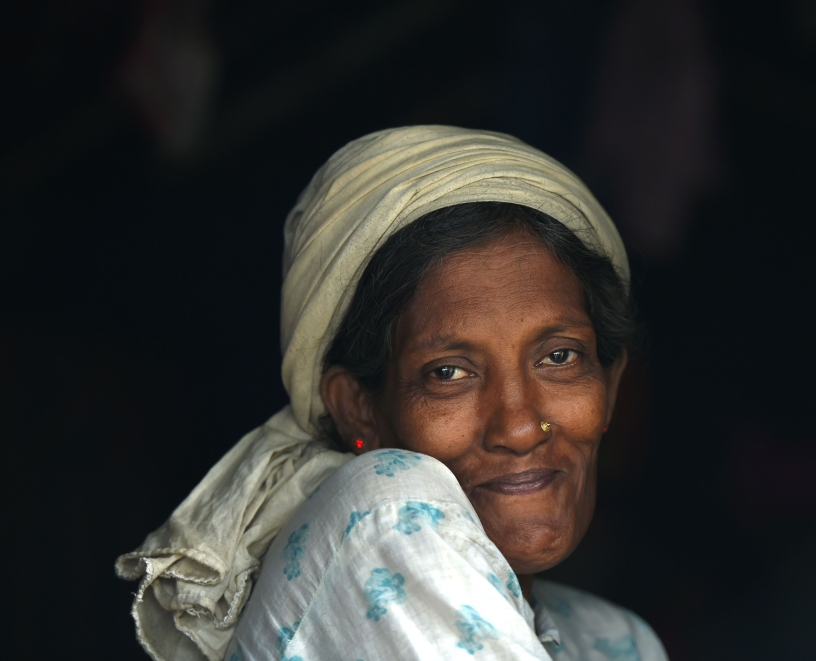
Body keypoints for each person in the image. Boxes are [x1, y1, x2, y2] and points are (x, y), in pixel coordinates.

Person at [117, 126, 668, 661]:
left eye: (559, 357)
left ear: (611, 385)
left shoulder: (616, 641)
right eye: (449, 373)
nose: (520, 428)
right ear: (359, 409)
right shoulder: (386, 512)